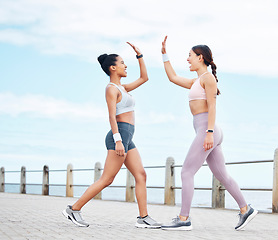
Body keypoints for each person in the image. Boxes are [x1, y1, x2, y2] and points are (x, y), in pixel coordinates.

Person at [160, 36, 257, 231]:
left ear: (200, 57)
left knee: (186, 171)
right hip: (206, 130)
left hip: (207, 129)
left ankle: (183, 218)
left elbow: (212, 107)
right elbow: (172, 77)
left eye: (190, 56)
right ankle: (245, 209)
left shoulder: (208, 78)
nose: (187, 59)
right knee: (223, 176)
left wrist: (209, 133)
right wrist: (164, 54)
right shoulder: (196, 81)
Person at [62, 42, 161, 229]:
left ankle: (143, 217)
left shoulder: (123, 88)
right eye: (123, 63)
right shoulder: (111, 89)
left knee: (141, 175)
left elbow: (144, 78)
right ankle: (73, 209)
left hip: (127, 136)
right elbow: (111, 115)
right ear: (113, 67)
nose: (125, 66)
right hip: (120, 135)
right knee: (107, 179)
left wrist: (140, 56)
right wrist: (118, 140)